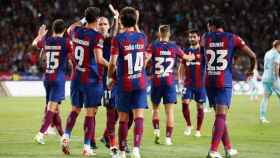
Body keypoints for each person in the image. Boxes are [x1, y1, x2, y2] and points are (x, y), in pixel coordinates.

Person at [202, 16, 257, 158]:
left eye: (209, 26)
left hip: (209, 81)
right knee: (221, 116)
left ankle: (228, 148)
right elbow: (253, 55)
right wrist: (251, 69)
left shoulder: (205, 37)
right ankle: (213, 151)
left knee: (220, 116)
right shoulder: (232, 38)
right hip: (223, 81)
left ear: (211, 25)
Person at [60, 7, 108, 156]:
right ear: (97, 19)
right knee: (90, 113)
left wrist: (83, 19)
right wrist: (114, 66)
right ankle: (87, 147)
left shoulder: (76, 31)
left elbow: (70, 28)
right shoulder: (97, 37)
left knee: (75, 109)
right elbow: (99, 59)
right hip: (91, 80)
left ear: (85, 18)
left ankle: (66, 135)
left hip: (76, 78)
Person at [108, 6, 148, 158]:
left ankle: (123, 152)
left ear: (122, 21)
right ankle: (137, 149)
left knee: (123, 119)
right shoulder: (142, 37)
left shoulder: (118, 39)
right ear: (136, 21)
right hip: (140, 81)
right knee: (139, 116)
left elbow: (112, 63)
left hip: (124, 83)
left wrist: (110, 77)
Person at [146, 24, 193, 145]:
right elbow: (186, 57)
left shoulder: (153, 46)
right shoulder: (174, 47)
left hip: (156, 81)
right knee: (169, 112)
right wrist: (191, 56)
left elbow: (146, 58)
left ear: (159, 33)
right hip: (169, 82)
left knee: (155, 109)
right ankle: (168, 139)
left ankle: (156, 132)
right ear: (169, 34)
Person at [33, 19, 71, 145]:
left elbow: (35, 44)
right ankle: (41, 133)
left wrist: (40, 35)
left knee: (55, 110)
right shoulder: (66, 42)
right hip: (58, 79)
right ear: (64, 30)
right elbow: (74, 55)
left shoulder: (47, 40)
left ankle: (62, 135)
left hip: (47, 78)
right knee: (51, 108)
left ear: (53, 29)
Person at [178, 28, 206, 138]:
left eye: (194, 36)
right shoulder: (186, 51)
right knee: (184, 103)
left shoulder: (203, 51)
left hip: (200, 84)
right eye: (190, 37)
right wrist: (180, 80)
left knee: (200, 107)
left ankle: (198, 130)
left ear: (198, 38)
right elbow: (182, 66)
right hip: (188, 83)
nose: (192, 39)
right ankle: (189, 125)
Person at [259, 40, 280, 123]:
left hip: (265, 77)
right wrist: (277, 77)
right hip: (273, 77)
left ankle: (262, 117)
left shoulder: (267, 53)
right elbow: (276, 66)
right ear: (277, 46)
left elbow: (265, 65)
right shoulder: (277, 54)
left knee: (265, 98)